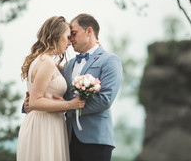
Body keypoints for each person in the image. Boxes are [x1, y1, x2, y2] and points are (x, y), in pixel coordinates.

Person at [25, 13, 123, 161]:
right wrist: (28, 104)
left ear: (89, 31)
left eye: (74, 34)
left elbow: (105, 99)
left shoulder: (109, 60)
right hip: (67, 138)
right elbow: (52, 92)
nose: (70, 39)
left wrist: (72, 107)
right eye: (69, 35)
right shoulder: (67, 66)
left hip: (95, 139)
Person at [16, 16, 86, 161]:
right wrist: (69, 105)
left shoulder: (44, 61)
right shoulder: (46, 62)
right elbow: (35, 102)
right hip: (45, 125)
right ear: (55, 36)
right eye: (67, 37)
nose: (69, 43)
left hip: (44, 123)